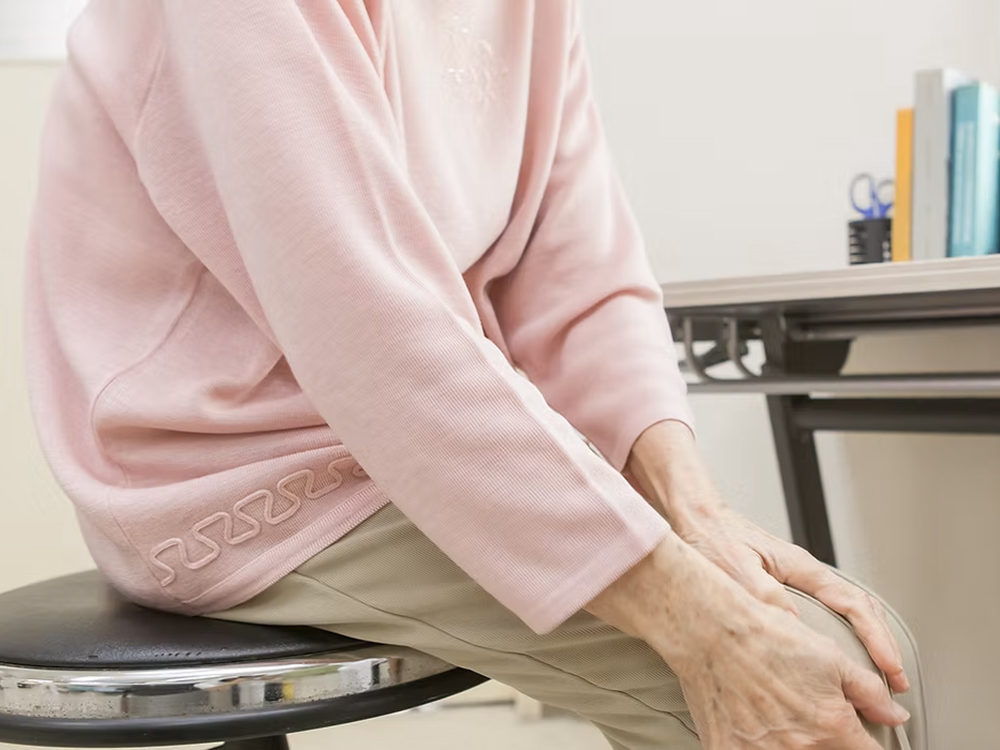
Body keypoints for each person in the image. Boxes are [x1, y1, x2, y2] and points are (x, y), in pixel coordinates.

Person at [24, 1, 924, 747]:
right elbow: (368, 321)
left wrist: (697, 513)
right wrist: (697, 621)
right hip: (230, 468)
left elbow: (578, 267)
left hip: (417, 433)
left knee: (863, 653)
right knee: (814, 702)